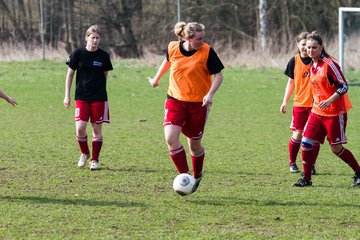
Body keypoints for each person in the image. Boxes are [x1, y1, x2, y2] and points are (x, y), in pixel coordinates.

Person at [148, 22, 224, 193]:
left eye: (203, 38)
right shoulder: (173, 47)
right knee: (170, 138)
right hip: (175, 100)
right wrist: (156, 78)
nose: (202, 42)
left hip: (198, 104)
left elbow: (219, 76)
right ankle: (185, 176)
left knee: (194, 145)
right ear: (187, 38)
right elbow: (167, 61)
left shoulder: (207, 51)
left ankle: (197, 175)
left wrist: (210, 94)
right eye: (199, 39)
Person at [292, 31, 360, 187]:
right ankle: (307, 179)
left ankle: (358, 172)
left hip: (334, 113)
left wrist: (329, 100)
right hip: (317, 113)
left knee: (336, 149)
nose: (310, 51)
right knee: (306, 142)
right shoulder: (312, 63)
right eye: (308, 48)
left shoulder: (329, 64)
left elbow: (343, 86)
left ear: (321, 47)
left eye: (314, 47)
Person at [63, 25, 113, 170]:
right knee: (80, 128)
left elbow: (105, 75)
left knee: (97, 129)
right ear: (87, 38)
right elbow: (70, 75)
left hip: (99, 97)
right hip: (81, 96)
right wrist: (67, 95)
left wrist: (100, 90)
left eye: (98, 38)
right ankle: (84, 153)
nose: (95, 40)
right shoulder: (77, 53)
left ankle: (95, 160)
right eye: (93, 38)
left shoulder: (104, 56)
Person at [280, 32, 319, 174]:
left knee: (312, 137)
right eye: (303, 45)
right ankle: (292, 163)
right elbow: (290, 83)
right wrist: (285, 101)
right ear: (298, 45)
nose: (305, 48)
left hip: (316, 105)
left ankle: (311, 165)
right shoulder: (294, 61)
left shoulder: (316, 60)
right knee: (298, 134)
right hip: (299, 104)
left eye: (307, 46)